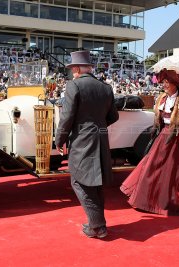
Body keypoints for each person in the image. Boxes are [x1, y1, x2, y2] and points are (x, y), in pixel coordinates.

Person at [55, 50, 119, 238]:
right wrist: (98, 125)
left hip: (82, 140)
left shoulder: (73, 86)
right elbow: (113, 116)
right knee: (95, 183)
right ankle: (99, 224)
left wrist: (59, 139)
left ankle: (97, 225)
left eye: (72, 69)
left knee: (79, 181)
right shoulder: (105, 87)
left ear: (76, 68)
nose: (72, 73)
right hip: (101, 137)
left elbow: (66, 117)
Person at [120, 69, 179, 215]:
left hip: (176, 139)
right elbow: (160, 121)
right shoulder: (162, 98)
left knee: (170, 172)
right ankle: (146, 200)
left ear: (175, 83)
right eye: (163, 82)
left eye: (167, 82)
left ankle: (167, 203)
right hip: (162, 136)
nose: (164, 85)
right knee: (151, 167)